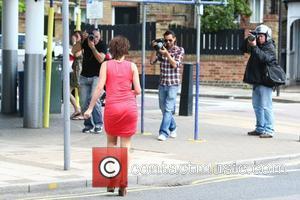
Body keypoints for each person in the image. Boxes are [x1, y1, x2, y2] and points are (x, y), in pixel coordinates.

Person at [84, 35, 141, 196]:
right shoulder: (132, 66)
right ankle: (123, 182)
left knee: (111, 143)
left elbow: (99, 88)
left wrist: (89, 108)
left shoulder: (106, 65)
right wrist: (128, 92)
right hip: (129, 108)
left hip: (112, 107)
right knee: (126, 146)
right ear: (126, 49)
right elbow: (138, 90)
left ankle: (110, 180)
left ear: (112, 49)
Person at [242, 24, 277, 138]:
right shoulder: (256, 45)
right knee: (257, 106)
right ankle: (260, 128)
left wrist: (255, 47)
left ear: (267, 36)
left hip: (265, 81)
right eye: (258, 36)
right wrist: (249, 40)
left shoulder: (270, 47)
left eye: (262, 36)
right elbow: (242, 49)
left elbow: (264, 58)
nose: (259, 38)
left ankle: (269, 130)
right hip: (257, 80)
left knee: (266, 106)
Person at [149, 30, 184, 141]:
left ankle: (163, 132)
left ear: (174, 39)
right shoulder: (161, 49)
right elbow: (152, 61)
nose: (168, 42)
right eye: (166, 40)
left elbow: (175, 64)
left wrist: (167, 54)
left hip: (173, 84)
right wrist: (155, 49)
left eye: (170, 40)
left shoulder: (179, 50)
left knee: (168, 109)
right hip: (162, 83)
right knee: (163, 108)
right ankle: (173, 127)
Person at [77, 28, 107, 133]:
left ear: (100, 37)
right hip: (84, 76)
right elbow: (74, 51)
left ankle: (98, 124)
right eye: (93, 36)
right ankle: (88, 125)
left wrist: (93, 48)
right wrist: (80, 40)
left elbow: (101, 59)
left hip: (97, 76)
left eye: (97, 37)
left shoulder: (102, 45)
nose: (94, 39)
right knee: (83, 102)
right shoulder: (86, 42)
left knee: (94, 99)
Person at [70, 30, 83, 120]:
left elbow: (76, 54)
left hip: (79, 70)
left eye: (77, 36)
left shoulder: (81, 45)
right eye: (74, 36)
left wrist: (75, 42)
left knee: (80, 91)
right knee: (67, 91)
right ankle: (77, 109)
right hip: (75, 69)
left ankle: (82, 111)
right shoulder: (77, 45)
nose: (75, 37)